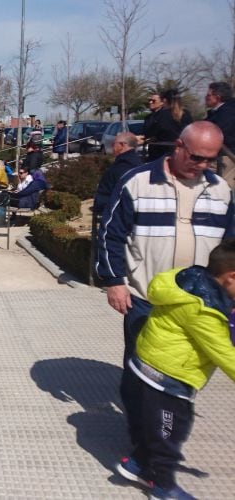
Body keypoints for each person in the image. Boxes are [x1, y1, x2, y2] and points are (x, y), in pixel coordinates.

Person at [96, 122, 234, 473]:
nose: (202, 165)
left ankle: (158, 440)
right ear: (179, 147)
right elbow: (111, 233)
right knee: (139, 376)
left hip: (201, 304)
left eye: (211, 160)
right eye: (197, 157)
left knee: (182, 374)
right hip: (146, 297)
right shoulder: (138, 182)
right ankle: (146, 446)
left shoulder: (221, 191)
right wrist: (114, 281)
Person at [115, 240, 235, 500]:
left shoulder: (187, 279)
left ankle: (135, 463)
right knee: (169, 436)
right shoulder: (202, 310)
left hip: (148, 365)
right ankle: (162, 485)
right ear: (230, 277)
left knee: (156, 428)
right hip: (168, 380)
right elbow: (225, 354)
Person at [93, 132, 143, 223]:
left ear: (122, 145)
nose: (112, 147)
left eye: (113, 144)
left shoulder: (118, 168)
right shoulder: (140, 164)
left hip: (117, 215)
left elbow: (106, 194)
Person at [145, 89, 193, 161]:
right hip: (181, 152)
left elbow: (151, 132)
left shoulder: (162, 115)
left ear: (165, 100)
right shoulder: (186, 114)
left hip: (162, 153)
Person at [205, 81, 235, 189]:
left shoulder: (227, 113)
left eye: (208, 95)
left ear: (217, 97)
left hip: (225, 158)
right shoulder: (220, 112)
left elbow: (218, 133)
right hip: (220, 157)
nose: (205, 97)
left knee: (223, 189)